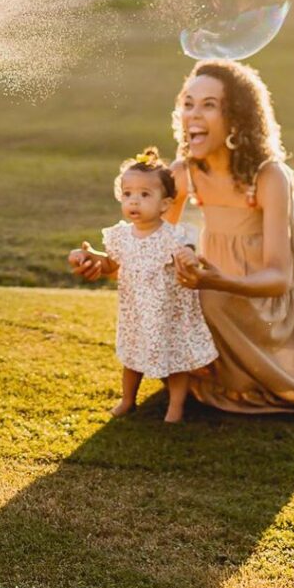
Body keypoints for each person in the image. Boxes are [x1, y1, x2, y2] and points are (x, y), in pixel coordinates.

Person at [72, 59, 294, 412]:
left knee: (204, 301)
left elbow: (279, 279)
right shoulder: (184, 173)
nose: (193, 114)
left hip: (271, 305)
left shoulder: (270, 176)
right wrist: (103, 265)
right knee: (181, 296)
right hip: (215, 289)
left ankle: (240, 374)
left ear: (237, 118)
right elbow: (148, 257)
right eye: (188, 103)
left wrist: (218, 281)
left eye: (209, 105)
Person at [69, 148, 217, 423]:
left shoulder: (173, 235)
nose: (134, 201)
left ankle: (175, 407)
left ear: (164, 204)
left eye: (144, 195)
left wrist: (188, 256)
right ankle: (128, 399)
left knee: (177, 361)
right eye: (128, 194)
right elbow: (113, 265)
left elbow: (189, 255)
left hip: (169, 313)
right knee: (131, 357)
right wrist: (90, 257)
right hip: (136, 311)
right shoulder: (121, 236)